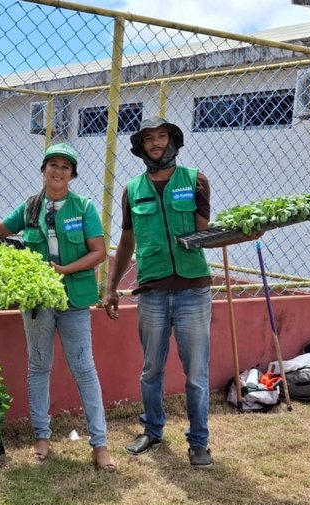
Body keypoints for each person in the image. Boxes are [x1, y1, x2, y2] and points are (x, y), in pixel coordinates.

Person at [0, 143, 116, 473]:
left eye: (65, 167)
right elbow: (0, 229)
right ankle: (42, 438)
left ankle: (99, 444)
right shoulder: (31, 207)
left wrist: (64, 271)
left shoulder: (84, 208)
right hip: (38, 303)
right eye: (52, 165)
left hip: (73, 301)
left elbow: (98, 252)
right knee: (39, 366)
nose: (58, 171)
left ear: (72, 174)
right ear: (44, 169)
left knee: (84, 369)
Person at [103, 117, 215, 469]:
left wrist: (244, 233)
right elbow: (126, 241)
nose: (156, 143)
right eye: (149, 138)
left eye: (162, 136)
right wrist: (111, 287)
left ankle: (199, 442)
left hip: (192, 291)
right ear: (141, 147)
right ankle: (152, 430)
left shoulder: (195, 180)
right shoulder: (132, 190)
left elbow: (205, 231)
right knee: (151, 369)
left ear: (173, 141)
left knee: (196, 374)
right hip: (151, 292)